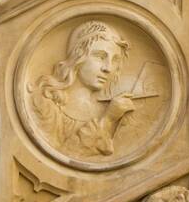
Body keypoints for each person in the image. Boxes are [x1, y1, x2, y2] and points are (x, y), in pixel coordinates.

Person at [27, 20, 137, 158]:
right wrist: (107, 119)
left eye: (114, 60)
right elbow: (62, 156)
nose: (108, 68)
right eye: (100, 56)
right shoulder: (46, 105)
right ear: (78, 56)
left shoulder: (115, 106)